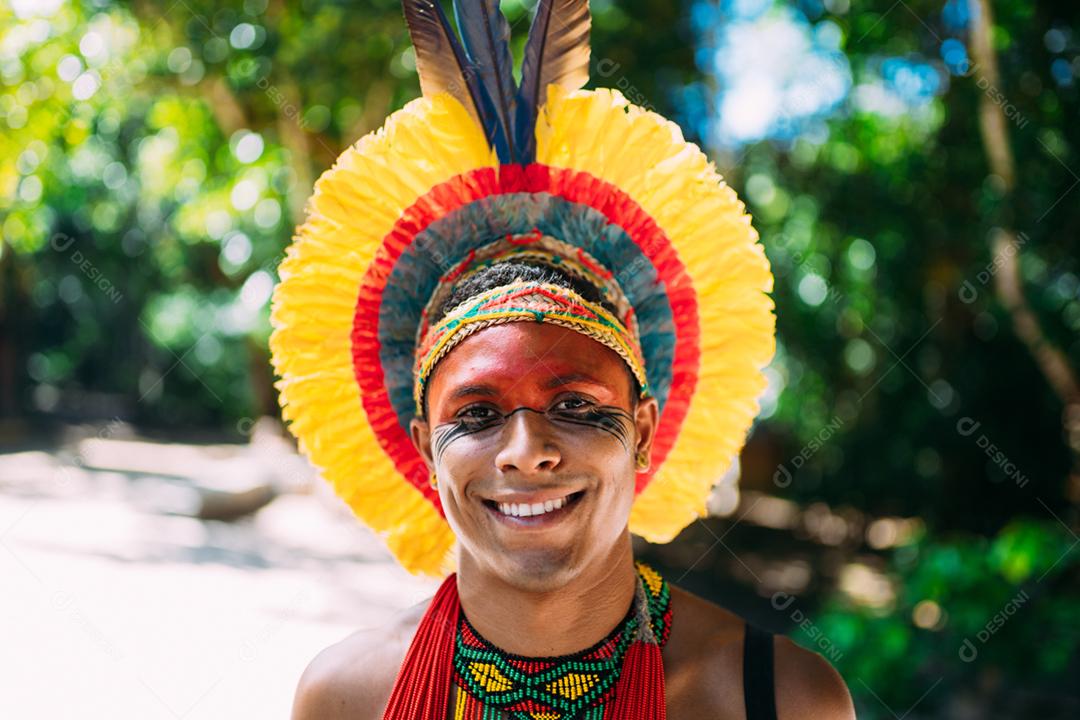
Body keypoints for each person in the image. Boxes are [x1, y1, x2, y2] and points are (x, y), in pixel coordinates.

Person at [270, 1, 855, 718]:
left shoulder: (777, 699)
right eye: (477, 413)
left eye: (577, 406)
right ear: (424, 448)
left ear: (642, 431)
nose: (526, 452)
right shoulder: (347, 698)